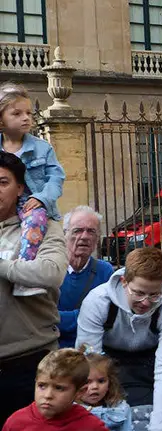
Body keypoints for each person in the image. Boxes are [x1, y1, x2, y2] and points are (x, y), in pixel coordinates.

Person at [76, 247, 162, 431]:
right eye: (139, 293)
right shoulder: (97, 301)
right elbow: (89, 364)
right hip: (106, 359)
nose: (146, 302)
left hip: (150, 360)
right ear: (124, 281)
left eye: (154, 294)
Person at [0, 151, 66, 424]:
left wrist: (2, 266)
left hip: (28, 362)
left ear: (20, 189)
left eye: (3, 182)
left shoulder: (41, 227)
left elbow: (51, 273)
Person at [0, 83, 63, 298]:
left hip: (31, 204)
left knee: (35, 221)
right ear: (1, 119)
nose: (25, 118)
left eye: (28, 113)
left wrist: (42, 198)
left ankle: (23, 278)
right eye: (16, 113)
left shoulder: (42, 147)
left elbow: (56, 178)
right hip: (6, 208)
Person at [57, 206, 113, 348]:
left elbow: (108, 317)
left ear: (97, 237)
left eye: (91, 231)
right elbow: (42, 317)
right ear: (65, 234)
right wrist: (86, 316)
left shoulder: (105, 272)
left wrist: (61, 318)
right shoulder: (50, 269)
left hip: (90, 350)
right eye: (78, 230)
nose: (84, 236)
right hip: (53, 351)